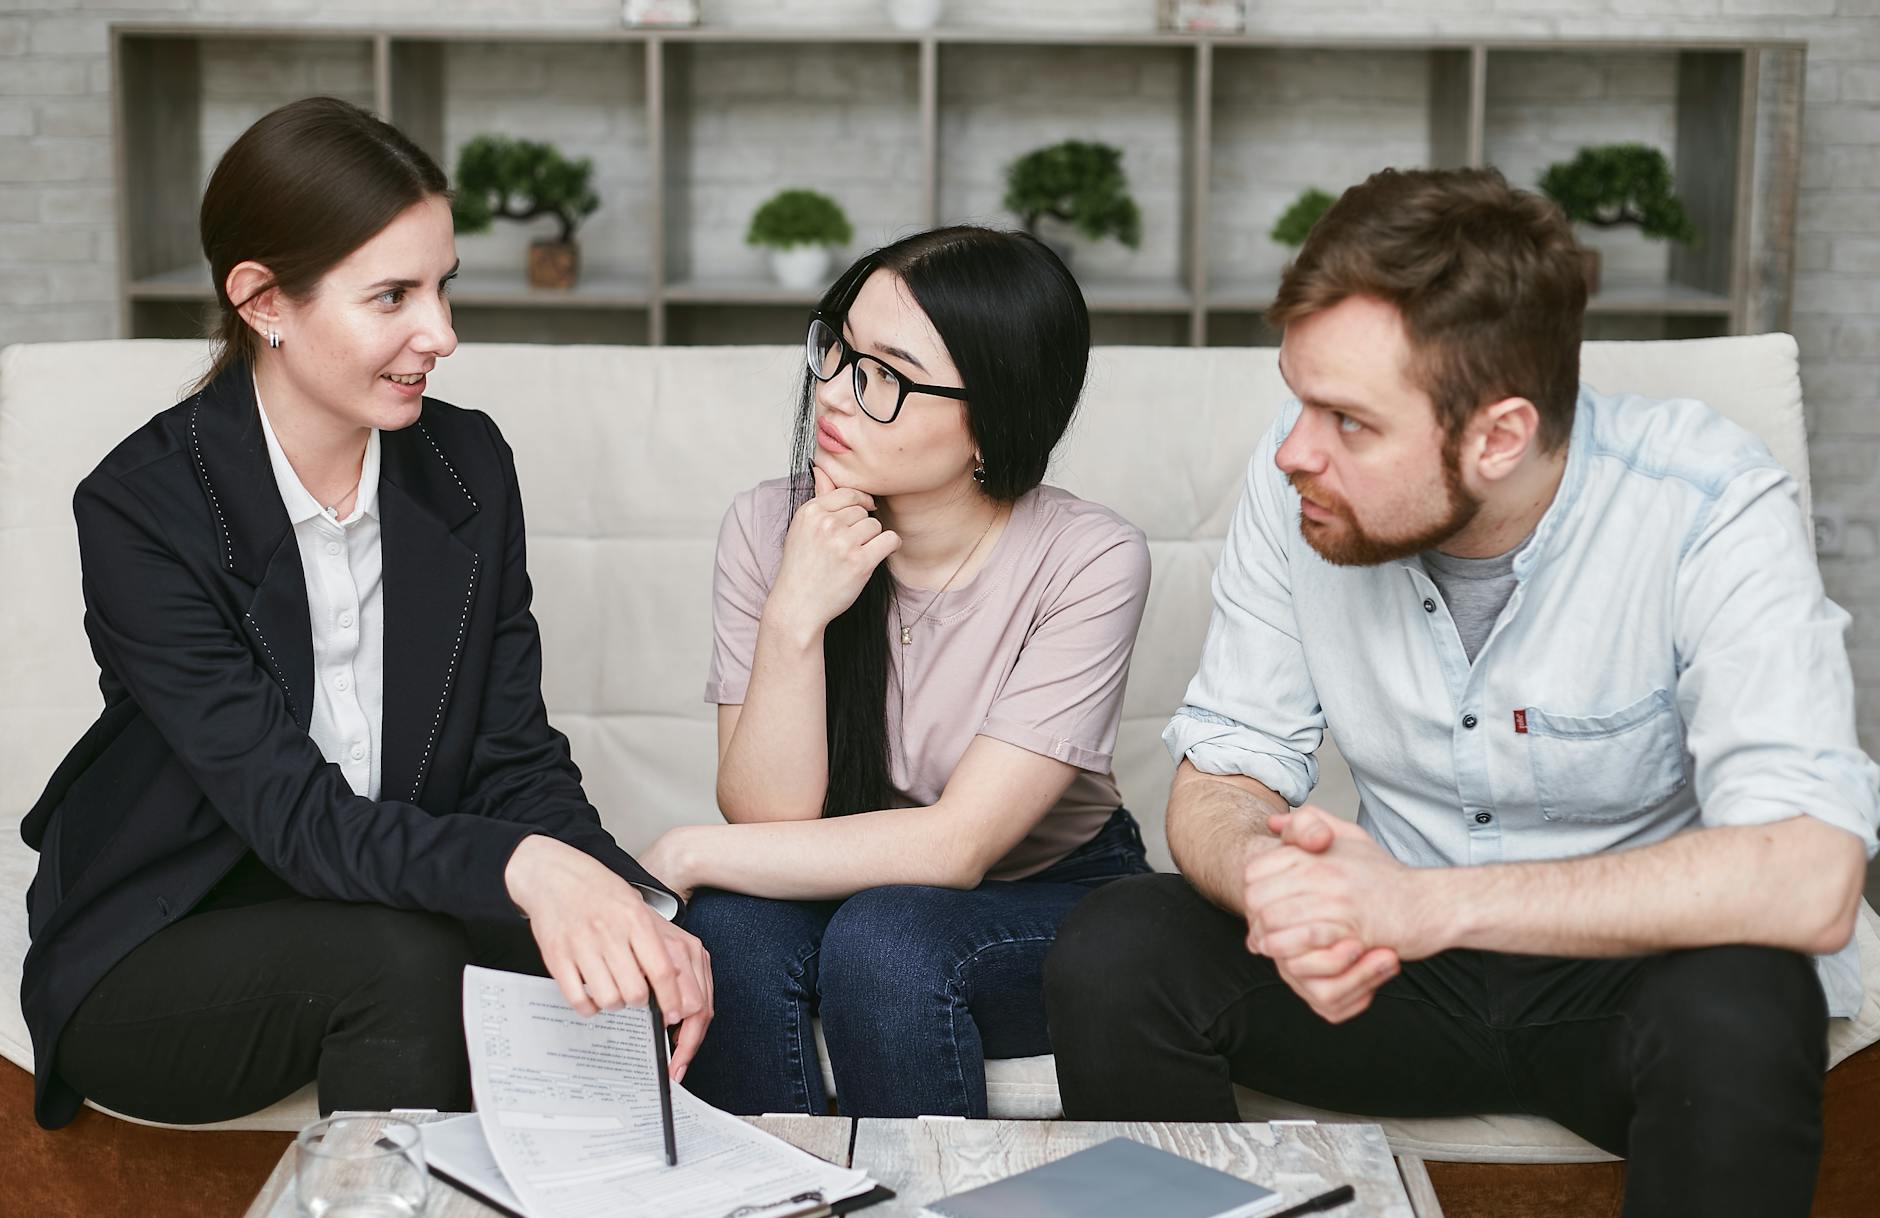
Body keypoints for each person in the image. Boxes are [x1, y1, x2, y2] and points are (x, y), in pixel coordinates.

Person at [1043, 167, 1878, 1218]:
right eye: (1298, 398)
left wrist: (1422, 906)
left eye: (1348, 421)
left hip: (1628, 982)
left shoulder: (1705, 502)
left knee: (1745, 998)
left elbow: (1807, 874)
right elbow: (1225, 771)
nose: (1295, 450)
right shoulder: (1294, 485)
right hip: (1393, 980)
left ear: (1497, 436)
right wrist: (1282, 891)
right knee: (1119, 946)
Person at [20, 96, 711, 1130]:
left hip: (392, 891)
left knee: (665, 956)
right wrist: (528, 870)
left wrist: (621, 898)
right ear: (263, 300)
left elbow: (513, 759)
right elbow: (295, 819)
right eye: (392, 296)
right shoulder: (142, 509)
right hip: (168, 933)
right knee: (404, 961)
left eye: (443, 285)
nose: (442, 334)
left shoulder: (466, 465)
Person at [638, 226, 1152, 1117]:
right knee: (730, 933)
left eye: (887, 375)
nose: (834, 391)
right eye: (838, 349)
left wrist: (683, 851)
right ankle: (774, 1188)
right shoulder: (767, 526)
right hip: (847, 875)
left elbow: (955, 848)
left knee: (890, 941)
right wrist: (796, 616)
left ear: (993, 420)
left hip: (1048, 892)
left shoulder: (1089, 560)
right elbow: (769, 819)